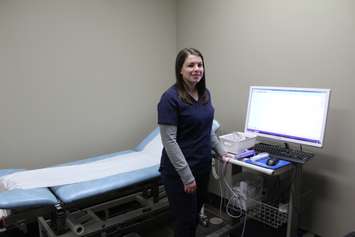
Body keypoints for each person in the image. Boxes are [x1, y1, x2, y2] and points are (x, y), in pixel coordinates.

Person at [157, 48, 229, 237]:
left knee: (195, 216)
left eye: (200, 65)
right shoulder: (170, 99)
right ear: (180, 70)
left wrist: (221, 151)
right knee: (185, 221)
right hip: (180, 173)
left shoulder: (205, 94)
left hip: (202, 167)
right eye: (190, 65)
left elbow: (207, 129)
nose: (196, 69)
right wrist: (187, 176)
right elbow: (169, 141)